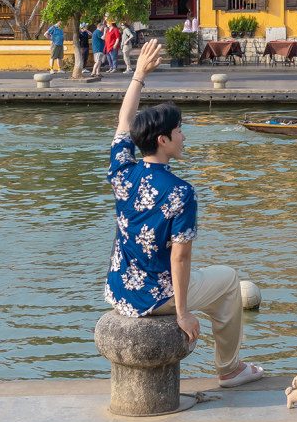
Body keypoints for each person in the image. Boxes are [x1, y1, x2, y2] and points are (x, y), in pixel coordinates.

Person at [104, 39, 262, 388]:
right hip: (157, 298)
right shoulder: (181, 192)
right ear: (162, 140)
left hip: (119, 290)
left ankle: (229, 363)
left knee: (212, 280)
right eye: (178, 132)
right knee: (229, 280)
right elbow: (181, 256)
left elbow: (123, 120)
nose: (184, 137)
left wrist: (139, 75)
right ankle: (230, 368)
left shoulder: (121, 172)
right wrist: (183, 314)